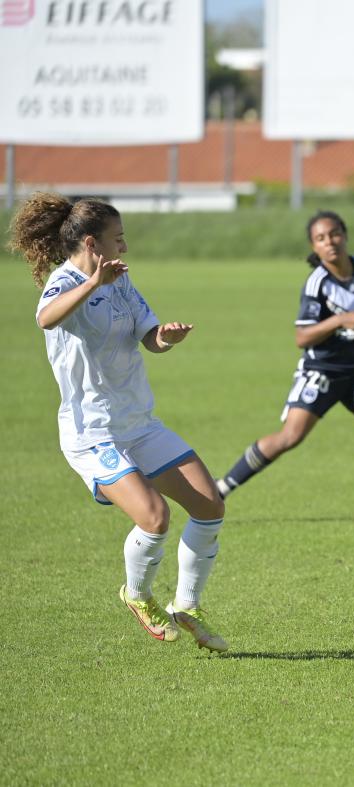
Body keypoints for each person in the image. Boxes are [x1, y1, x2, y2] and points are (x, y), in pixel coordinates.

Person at [9, 192, 228, 652]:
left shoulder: (122, 280)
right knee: (155, 517)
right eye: (118, 238)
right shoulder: (64, 281)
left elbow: (147, 336)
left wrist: (164, 337)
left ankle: (187, 604)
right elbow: (47, 318)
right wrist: (92, 284)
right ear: (92, 243)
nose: (124, 247)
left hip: (139, 422)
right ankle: (138, 594)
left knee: (210, 504)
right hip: (93, 434)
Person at [215, 210, 354, 524]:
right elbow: (301, 336)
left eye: (334, 234)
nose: (330, 242)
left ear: (345, 235)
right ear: (314, 246)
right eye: (321, 238)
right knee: (289, 437)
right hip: (322, 372)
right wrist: (339, 320)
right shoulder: (317, 282)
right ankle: (220, 489)